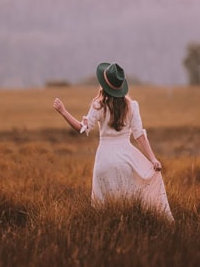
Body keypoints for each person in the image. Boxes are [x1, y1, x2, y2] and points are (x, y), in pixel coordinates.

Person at [52, 62, 173, 221]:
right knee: (128, 208)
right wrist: (153, 159)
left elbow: (81, 128)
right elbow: (139, 136)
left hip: (104, 160)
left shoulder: (98, 105)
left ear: (103, 84)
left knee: (103, 211)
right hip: (126, 160)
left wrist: (63, 111)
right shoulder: (132, 106)